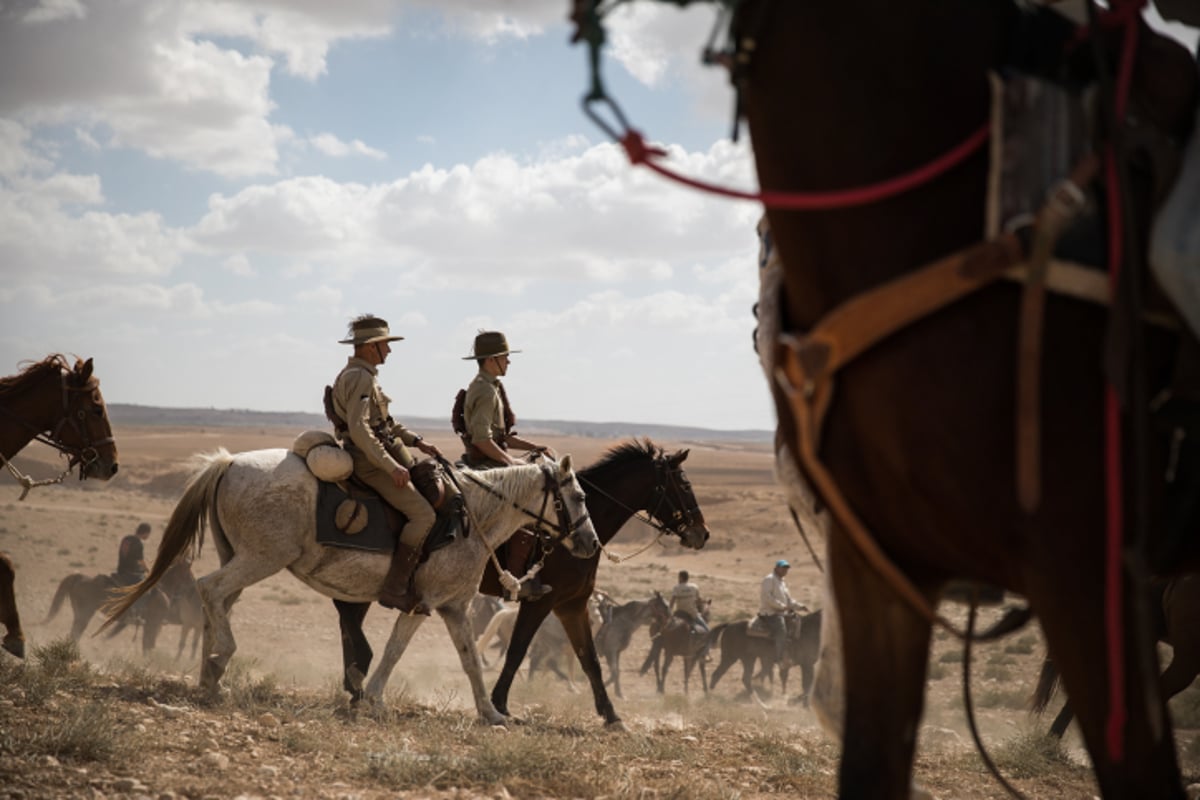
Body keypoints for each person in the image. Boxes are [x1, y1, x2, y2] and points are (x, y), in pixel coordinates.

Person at [330, 314, 443, 615]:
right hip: (369, 461)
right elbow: (359, 428)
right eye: (385, 345)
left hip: (380, 453)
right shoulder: (361, 378)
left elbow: (384, 423)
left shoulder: (363, 375)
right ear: (370, 348)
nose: (389, 351)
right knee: (423, 516)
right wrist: (390, 467)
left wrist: (416, 441)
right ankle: (394, 589)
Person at [458, 330, 556, 601]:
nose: (508, 363)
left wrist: (532, 448)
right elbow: (481, 439)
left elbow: (501, 437)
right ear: (491, 360)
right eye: (505, 357)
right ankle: (515, 581)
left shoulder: (489, 386)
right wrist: (511, 463)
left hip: (492, 460)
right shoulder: (486, 390)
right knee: (528, 508)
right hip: (486, 465)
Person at [759, 559, 805, 667]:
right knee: (781, 629)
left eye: (786, 568)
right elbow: (768, 597)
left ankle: (791, 653)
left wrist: (800, 606)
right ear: (777, 568)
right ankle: (779, 659)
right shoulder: (769, 579)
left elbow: (788, 600)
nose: (785, 570)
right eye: (783, 568)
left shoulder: (782, 582)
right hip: (770, 613)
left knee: (798, 621)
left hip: (781, 612)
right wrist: (782, 606)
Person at [114, 522, 152, 586]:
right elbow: (141, 561)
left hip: (120, 569)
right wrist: (148, 571)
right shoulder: (138, 543)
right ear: (145, 533)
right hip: (131, 573)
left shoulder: (126, 538)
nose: (148, 536)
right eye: (148, 534)